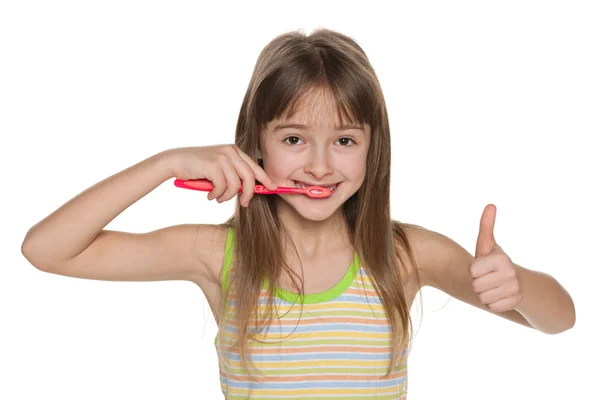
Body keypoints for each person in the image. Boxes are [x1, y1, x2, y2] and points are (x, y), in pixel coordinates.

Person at [21, 28, 576, 399]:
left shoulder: (407, 254)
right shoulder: (217, 253)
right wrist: (167, 163)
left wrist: (518, 284)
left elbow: (559, 320)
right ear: (254, 143)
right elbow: (46, 250)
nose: (317, 166)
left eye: (343, 140)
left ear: (371, 149)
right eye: (293, 138)